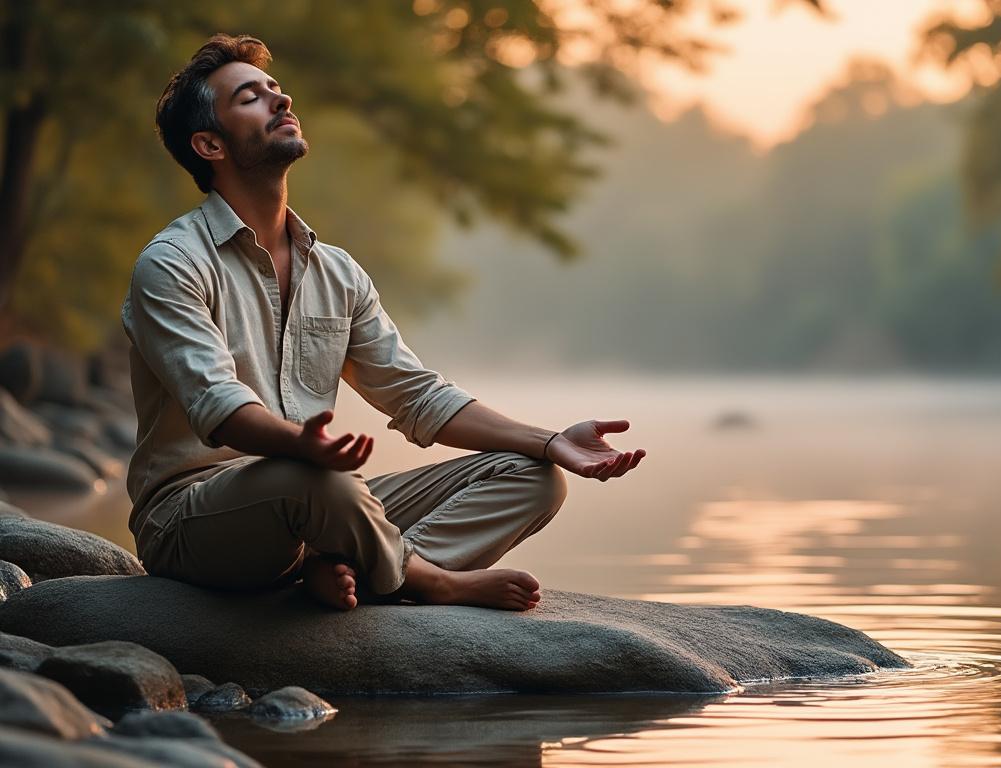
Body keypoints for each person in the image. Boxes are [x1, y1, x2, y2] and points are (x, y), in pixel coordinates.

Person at [121, 34, 645, 612]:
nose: (282, 100)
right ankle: (430, 580)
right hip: (194, 517)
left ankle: (352, 569)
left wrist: (549, 441)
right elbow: (218, 406)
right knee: (320, 483)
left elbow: (418, 397)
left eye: (276, 89)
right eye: (251, 97)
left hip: (320, 498)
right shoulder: (172, 263)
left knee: (536, 478)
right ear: (209, 144)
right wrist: (306, 448)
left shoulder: (336, 271)